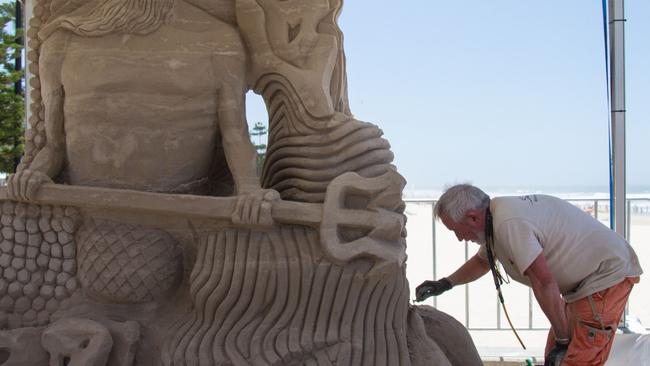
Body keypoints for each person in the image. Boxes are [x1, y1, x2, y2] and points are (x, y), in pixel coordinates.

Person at [415, 184, 643, 366]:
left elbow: (543, 281)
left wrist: (564, 340)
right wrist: (445, 283)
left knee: (578, 359)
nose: (459, 238)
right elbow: (482, 262)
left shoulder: (508, 222)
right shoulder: (494, 220)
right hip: (581, 286)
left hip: (604, 278)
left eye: (456, 230)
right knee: (556, 356)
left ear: (473, 217)